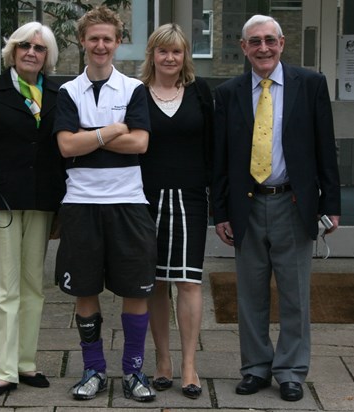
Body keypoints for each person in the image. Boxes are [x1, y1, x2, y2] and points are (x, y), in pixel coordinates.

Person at [212, 15, 341, 402]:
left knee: (295, 295)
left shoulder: (311, 85)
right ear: (243, 47)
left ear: (283, 43)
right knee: (249, 294)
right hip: (246, 206)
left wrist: (331, 204)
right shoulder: (229, 92)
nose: (263, 48)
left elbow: (325, 148)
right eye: (255, 42)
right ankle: (254, 367)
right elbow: (219, 158)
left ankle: (290, 371)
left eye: (270, 40)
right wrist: (220, 211)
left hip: (293, 203)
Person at [53, 6, 157, 403]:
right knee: (85, 290)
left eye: (107, 39)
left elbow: (140, 144)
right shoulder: (67, 92)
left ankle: (133, 372)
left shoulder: (133, 89)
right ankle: (93, 369)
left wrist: (89, 136)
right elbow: (65, 147)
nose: (100, 45)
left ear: (117, 43)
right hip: (80, 203)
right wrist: (114, 129)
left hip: (128, 201)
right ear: (82, 42)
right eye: (93, 38)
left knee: (136, 289)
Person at [0, 22, 65, 398]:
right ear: (12, 51)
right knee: (7, 289)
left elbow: (60, 154)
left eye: (39, 47)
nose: (31, 52)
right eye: (24, 46)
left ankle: (25, 363)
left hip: (42, 204)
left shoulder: (57, 92)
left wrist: (62, 211)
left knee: (35, 287)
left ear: (47, 56)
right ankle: (3, 371)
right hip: (0, 204)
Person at [139, 23, 213, 400]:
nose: (170, 58)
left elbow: (213, 149)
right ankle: (163, 361)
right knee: (154, 282)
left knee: (188, 280)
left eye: (177, 51)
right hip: (145, 198)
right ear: (152, 55)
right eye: (163, 51)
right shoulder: (136, 94)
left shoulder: (201, 94)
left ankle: (188, 365)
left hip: (190, 198)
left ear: (185, 56)